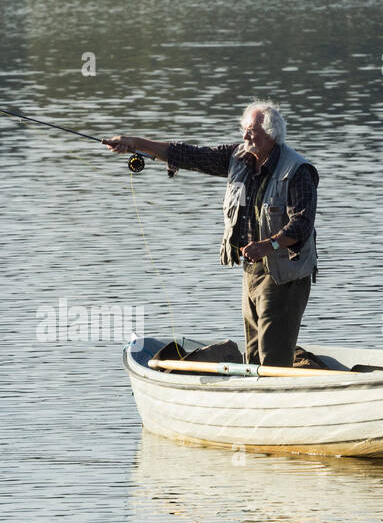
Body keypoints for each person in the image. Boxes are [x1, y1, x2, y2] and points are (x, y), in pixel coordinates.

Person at [104, 102, 319, 367]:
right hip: (252, 271)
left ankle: (280, 403)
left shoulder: (297, 171)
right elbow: (190, 154)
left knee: (273, 359)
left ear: (271, 134)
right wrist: (135, 143)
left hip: (285, 275)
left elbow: (301, 225)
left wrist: (267, 245)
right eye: (244, 130)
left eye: (251, 131)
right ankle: (254, 404)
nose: (245, 137)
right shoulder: (238, 157)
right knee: (253, 357)